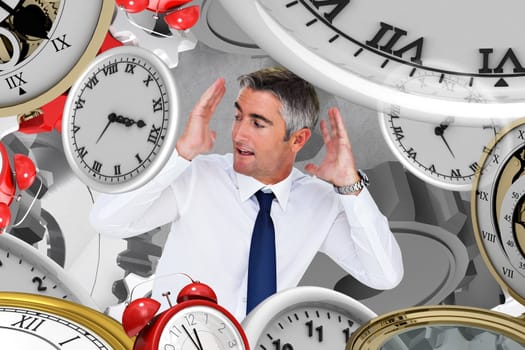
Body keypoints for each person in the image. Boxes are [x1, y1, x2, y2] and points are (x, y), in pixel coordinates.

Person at [90, 67, 403, 321]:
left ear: (298, 140)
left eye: (258, 123)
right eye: (239, 116)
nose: (239, 133)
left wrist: (351, 187)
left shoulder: (319, 203)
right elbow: (107, 221)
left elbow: (384, 276)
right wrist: (180, 155)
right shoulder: (198, 175)